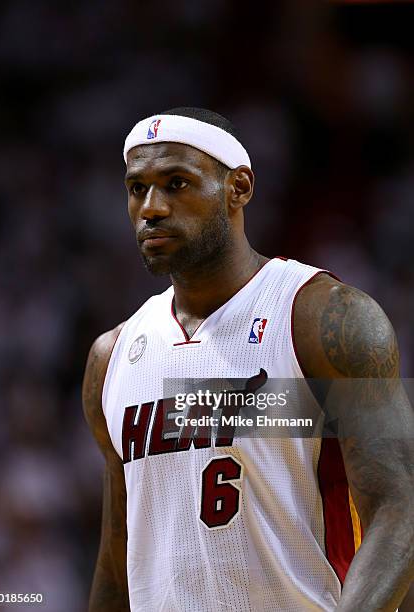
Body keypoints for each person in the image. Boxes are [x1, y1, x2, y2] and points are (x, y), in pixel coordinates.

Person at [82, 107, 414, 611]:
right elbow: (116, 559)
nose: (150, 207)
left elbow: (401, 504)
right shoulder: (113, 357)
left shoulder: (319, 316)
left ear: (238, 188)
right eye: (136, 188)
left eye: (176, 184)